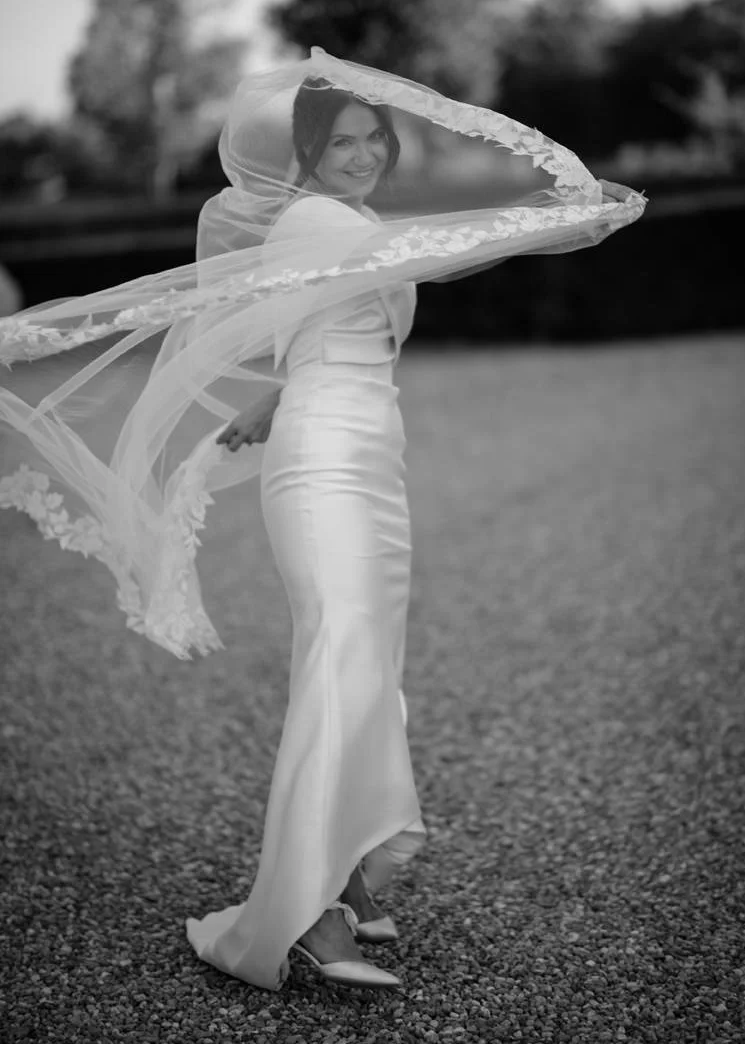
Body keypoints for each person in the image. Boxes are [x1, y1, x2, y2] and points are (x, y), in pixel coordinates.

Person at [0, 48, 646, 994]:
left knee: (369, 659)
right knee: (342, 658)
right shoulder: (313, 217)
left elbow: (329, 327)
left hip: (368, 457)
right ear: (302, 157)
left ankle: (346, 872)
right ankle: (304, 917)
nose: (362, 151)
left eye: (372, 135)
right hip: (323, 468)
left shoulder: (346, 222)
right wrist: (556, 219)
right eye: (340, 140)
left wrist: (276, 394)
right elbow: (433, 254)